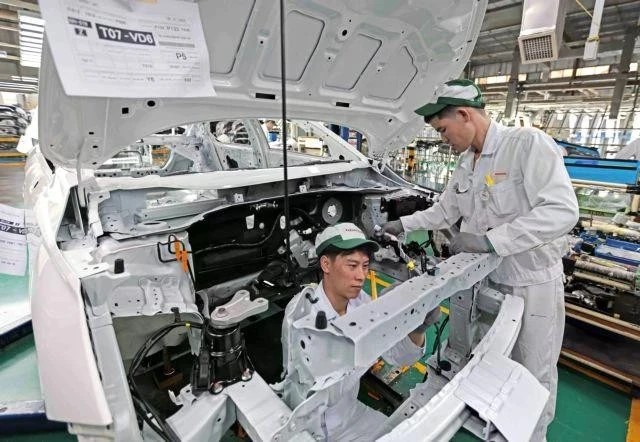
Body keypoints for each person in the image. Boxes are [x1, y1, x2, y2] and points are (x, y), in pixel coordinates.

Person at [382, 79, 579, 441]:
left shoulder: (526, 145)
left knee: (532, 372)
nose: (443, 138)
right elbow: (444, 211)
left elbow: (563, 211)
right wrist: (399, 225)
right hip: (483, 280)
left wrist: (490, 240)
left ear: (464, 114)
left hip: (529, 282)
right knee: (486, 361)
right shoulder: (465, 164)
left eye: (443, 129)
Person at [280, 223, 437, 441]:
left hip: (351, 416)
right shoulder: (302, 312)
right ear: (326, 264)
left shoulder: (360, 302)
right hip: (307, 427)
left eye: (364, 266)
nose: (361, 276)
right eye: (352, 265)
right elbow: (319, 392)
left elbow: (397, 357)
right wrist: (379, 325)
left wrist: (415, 328)